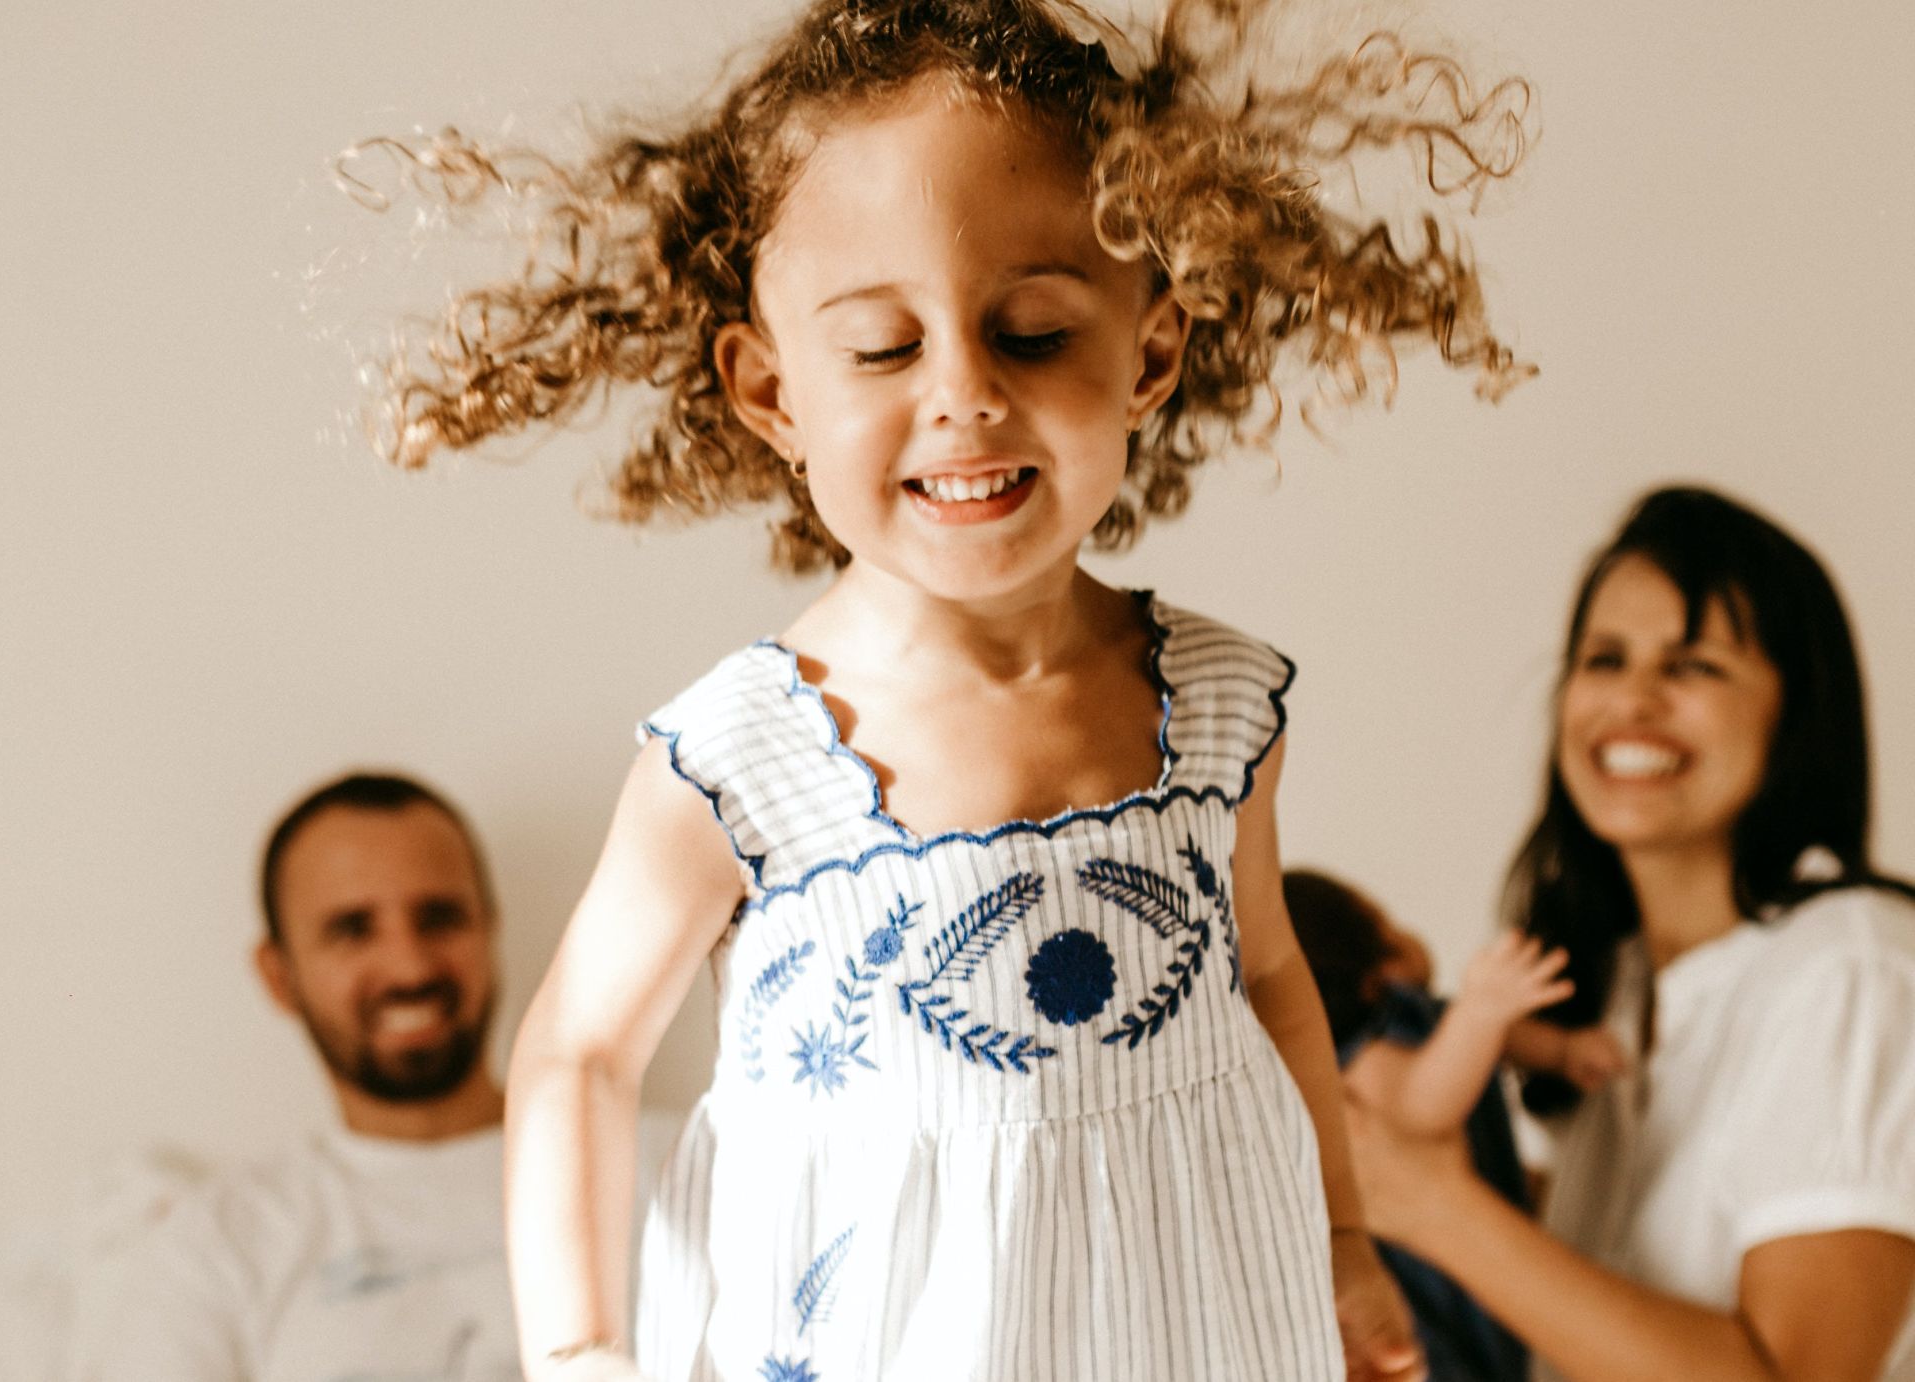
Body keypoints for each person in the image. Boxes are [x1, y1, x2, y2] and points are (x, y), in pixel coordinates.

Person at [356, 2, 1534, 1376]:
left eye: (1032, 331)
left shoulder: (1217, 706)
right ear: (771, 390)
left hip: (1200, 1328)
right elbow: (578, 1055)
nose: (963, 393)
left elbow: (1268, 977)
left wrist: (1339, 1242)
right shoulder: (742, 760)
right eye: (881, 348)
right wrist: (577, 1353)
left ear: (1151, 351)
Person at [1346, 486, 1915, 1380]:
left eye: (1693, 666)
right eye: (1604, 659)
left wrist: (1435, 1206)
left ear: (1795, 714)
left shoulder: (1853, 965)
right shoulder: (1617, 987)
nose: (1633, 701)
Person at [65, 771, 521, 1381]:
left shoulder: (678, 1163)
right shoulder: (216, 1245)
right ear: (280, 977)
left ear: (488, 930)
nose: (409, 966)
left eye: (439, 917)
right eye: (353, 929)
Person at [1285, 867, 1626, 1380]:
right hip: (1437, 1283)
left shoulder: (1431, 1015)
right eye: (1385, 923)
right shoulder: (1368, 1059)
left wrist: (1558, 1051)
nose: (1408, 935)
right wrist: (1482, 1011)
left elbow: (1503, 1040)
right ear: (1376, 967)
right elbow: (1425, 1105)